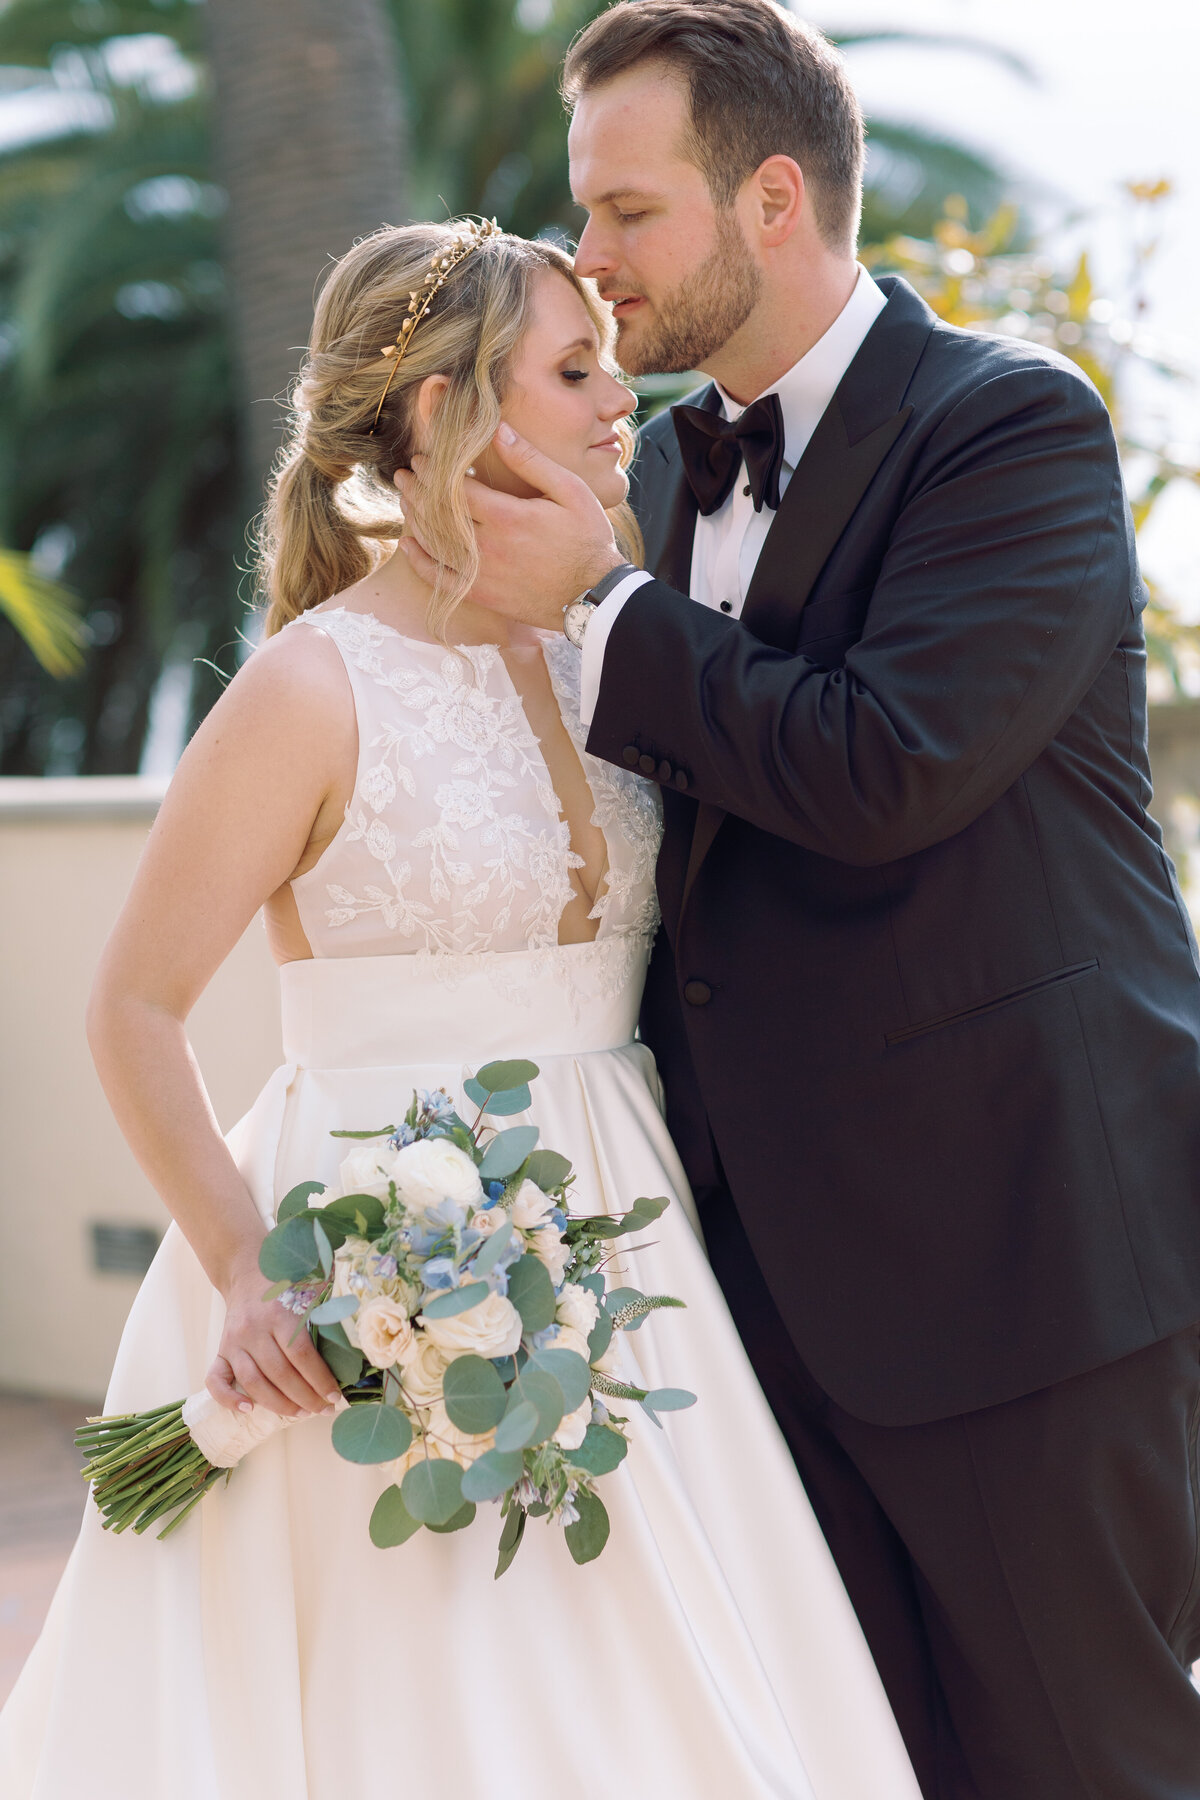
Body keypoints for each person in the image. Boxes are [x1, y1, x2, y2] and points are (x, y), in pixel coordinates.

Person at [0, 219, 921, 1799]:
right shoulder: (309, 688)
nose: (619, 404)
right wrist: (242, 1275)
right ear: (443, 415)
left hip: (635, 1255)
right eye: (575, 374)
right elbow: (133, 1008)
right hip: (367, 1260)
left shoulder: (617, 645)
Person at [392, 5, 1200, 1797]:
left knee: (1090, 1761)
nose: (586, 263)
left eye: (625, 212)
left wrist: (605, 609)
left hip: (1021, 1267)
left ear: (772, 197)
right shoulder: (666, 468)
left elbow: (884, 765)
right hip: (757, 1293)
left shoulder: (1010, 430)